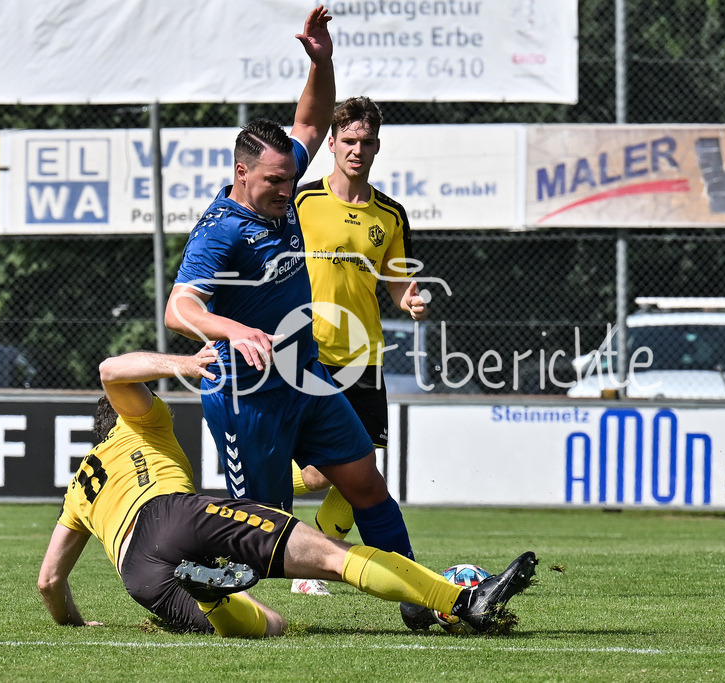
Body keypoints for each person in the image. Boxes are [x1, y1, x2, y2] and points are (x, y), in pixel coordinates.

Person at [163, 6, 434, 629]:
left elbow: (311, 119)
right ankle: (177, 580)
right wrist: (235, 330)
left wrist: (321, 61)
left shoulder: (281, 182)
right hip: (246, 392)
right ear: (242, 173)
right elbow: (180, 307)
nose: (288, 191)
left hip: (306, 379)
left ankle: (421, 599)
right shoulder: (220, 232)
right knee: (260, 533)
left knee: (365, 483)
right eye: (275, 181)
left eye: (291, 177)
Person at [36, 346, 538, 637]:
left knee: (270, 628)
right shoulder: (143, 424)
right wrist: (182, 364)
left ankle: (210, 597)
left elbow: (49, 583)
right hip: (173, 515)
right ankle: (462, 599)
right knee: (333, 557)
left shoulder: (79, 488)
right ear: (124, 411)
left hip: (139, 574)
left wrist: (75, 626)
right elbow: (110, 370)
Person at [289, 96, 428, 597]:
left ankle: (312, 570)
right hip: (306, 353)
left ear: (376, 146)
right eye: (348, 140)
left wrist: (410, 299)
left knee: (362, 470)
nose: (357, 149)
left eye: (366, 142)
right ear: (331, 143)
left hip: (364, 356)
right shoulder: (301, 203)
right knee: (318, 476)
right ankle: (254, 484)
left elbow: (397, 281)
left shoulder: (390, 214)